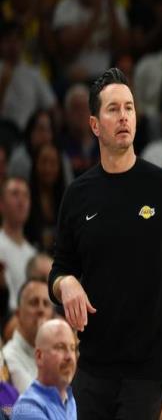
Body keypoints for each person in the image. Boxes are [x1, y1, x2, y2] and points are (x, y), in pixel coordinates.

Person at [47, 68, 162, 420]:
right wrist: (66, 282)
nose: (123, 116)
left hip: (145, 373)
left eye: (129, 108)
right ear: (94, 125)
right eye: (113, 109)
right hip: (91, 368)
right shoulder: (77, 195)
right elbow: (58, 270)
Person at [11, 319, 77, 420]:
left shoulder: (69, 399)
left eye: (72, 348)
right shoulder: (28, 410)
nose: (69, 357)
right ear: (39, 356)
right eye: (60, 347)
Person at [3, 278, 54, 393]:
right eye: (34, 303)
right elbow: (37, 401)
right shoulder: (8, 358)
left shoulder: (54, 355)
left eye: (46, 304)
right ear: (18, 314)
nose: (41, 310)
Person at [0, 176, 36, 312]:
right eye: (15, 194)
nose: (21, 201)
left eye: (26, 195)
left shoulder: (33, 253)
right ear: (1, 204)